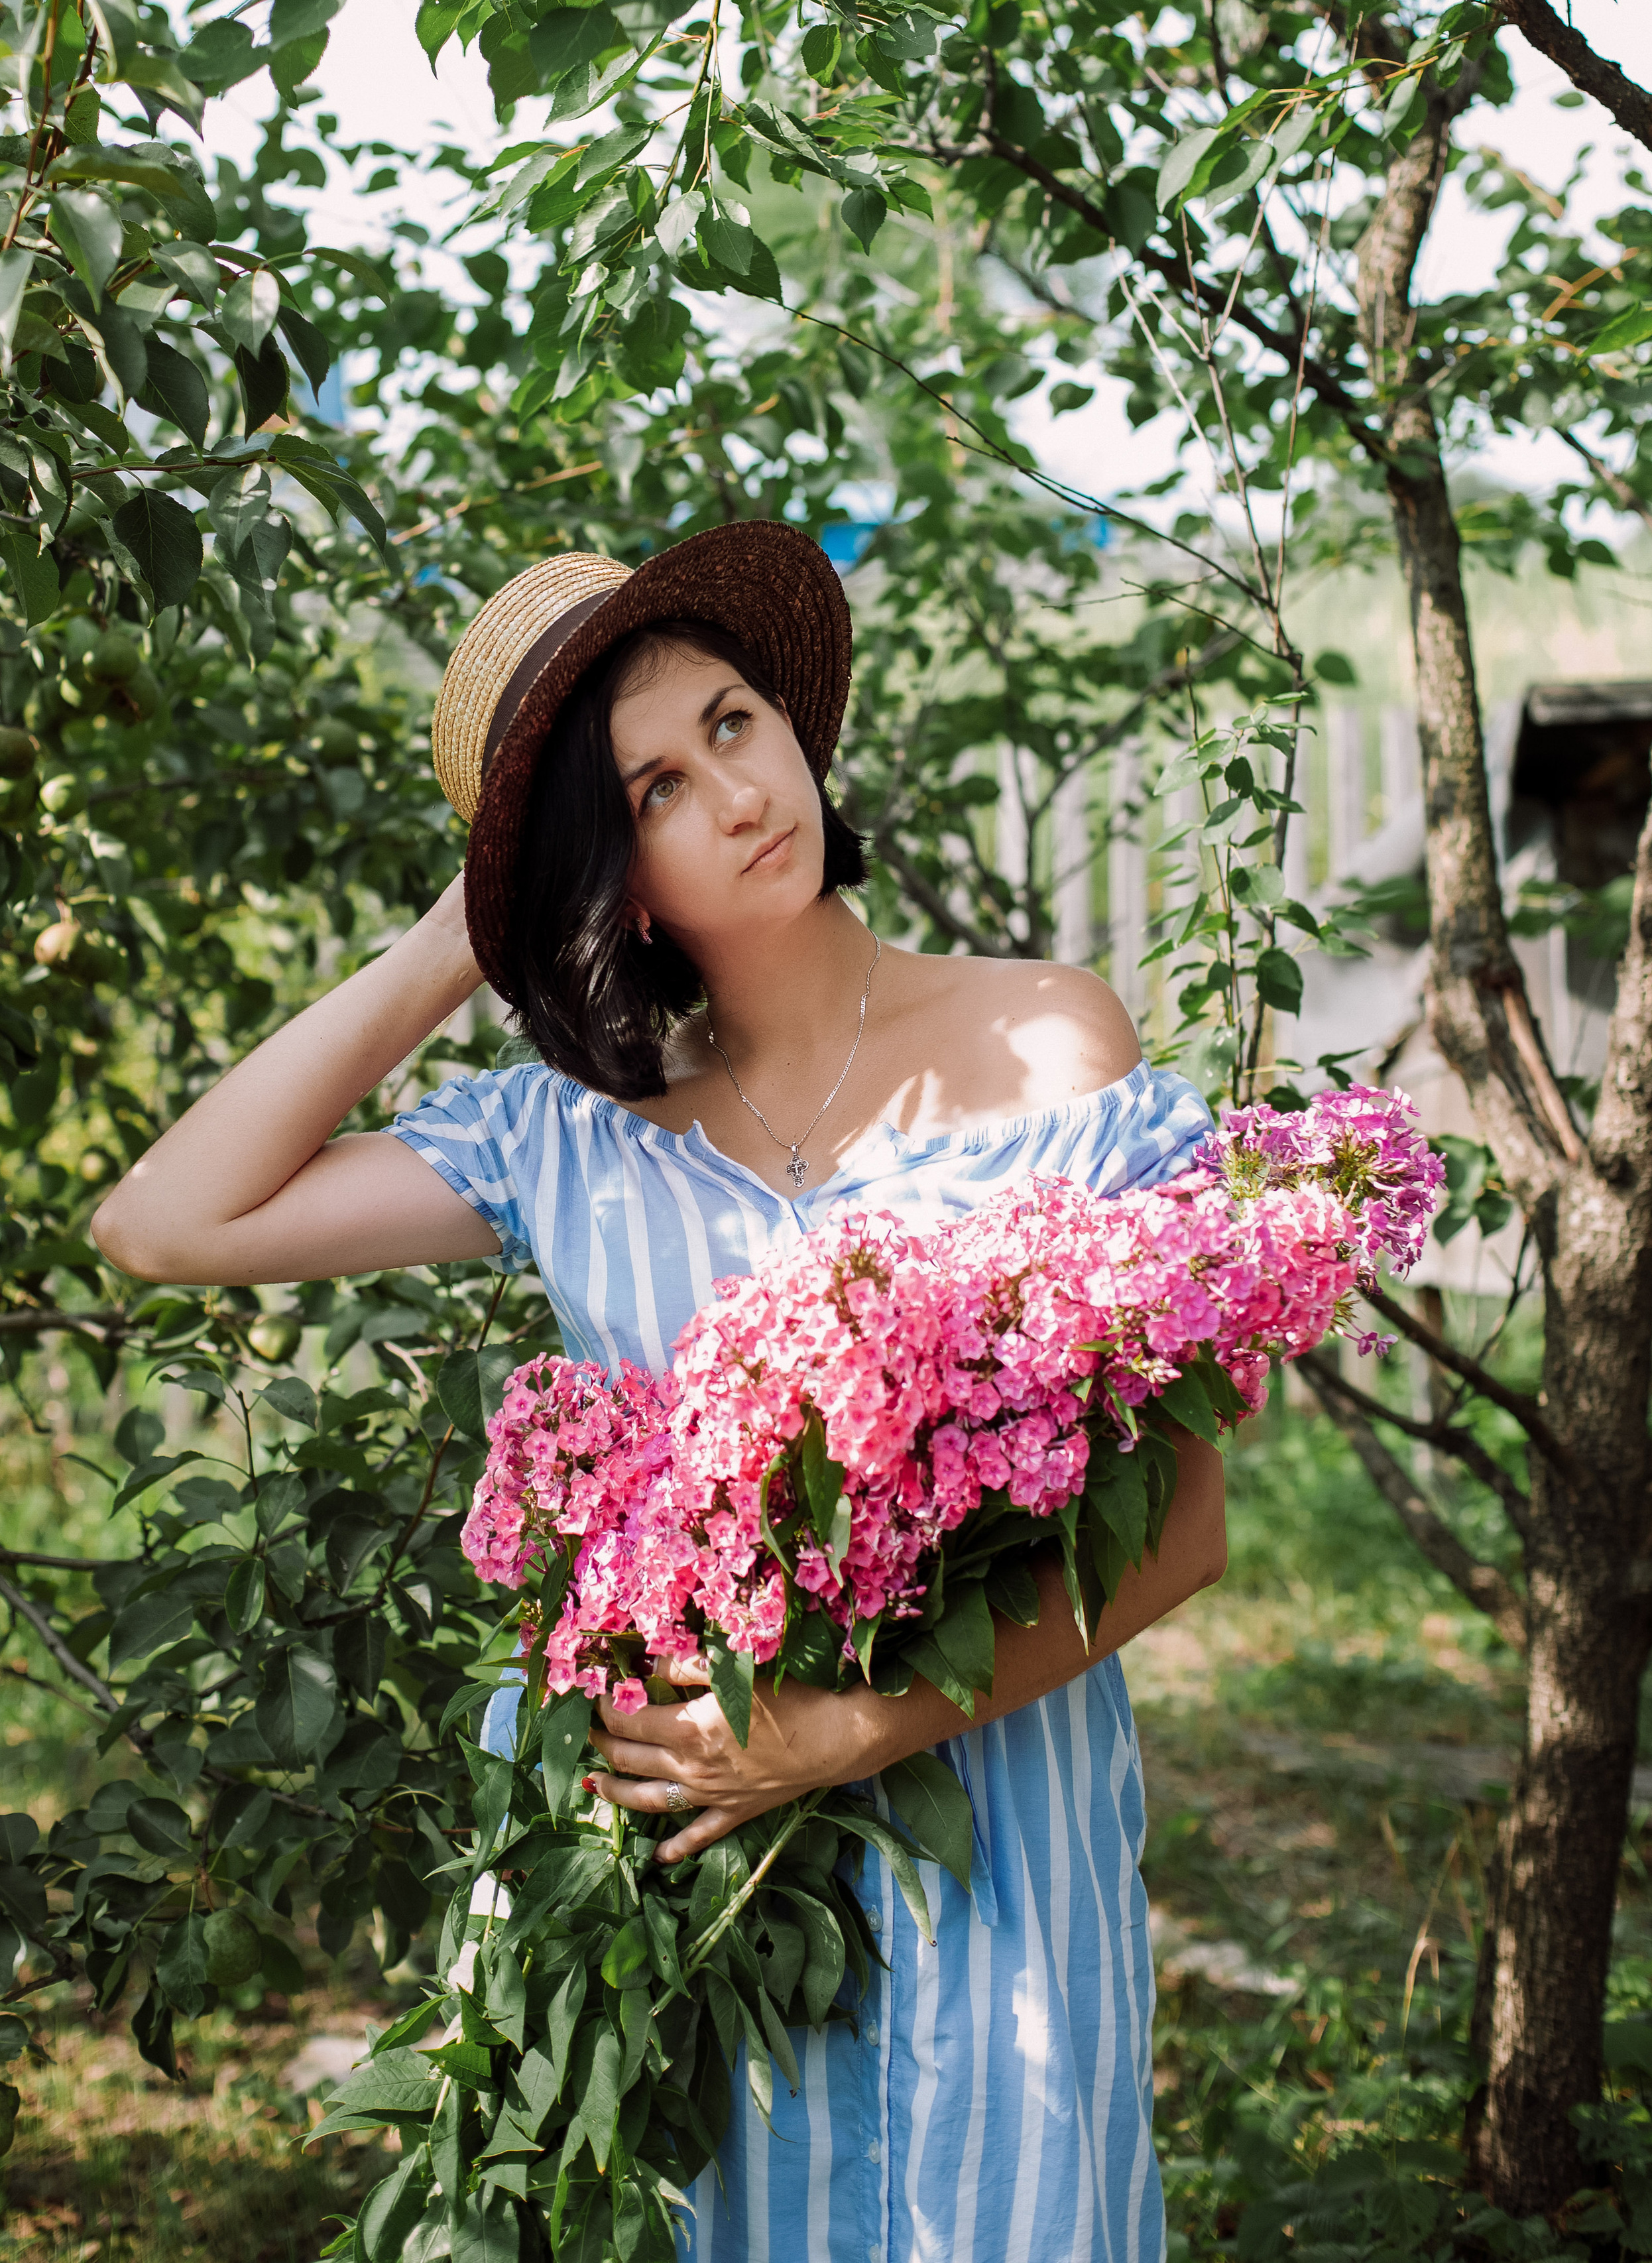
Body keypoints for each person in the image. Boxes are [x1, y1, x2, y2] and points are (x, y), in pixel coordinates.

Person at [93, 520, 1227, 2263]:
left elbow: (1188, 1527)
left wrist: (849, 1732)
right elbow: (165, 1221)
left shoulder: (1046, 1048)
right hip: (685, 1936)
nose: (731, 787)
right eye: (646, 793)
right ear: (603, 878)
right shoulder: (566, 1142)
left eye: (729, 722)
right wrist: (453, 946)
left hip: (991, 1860)